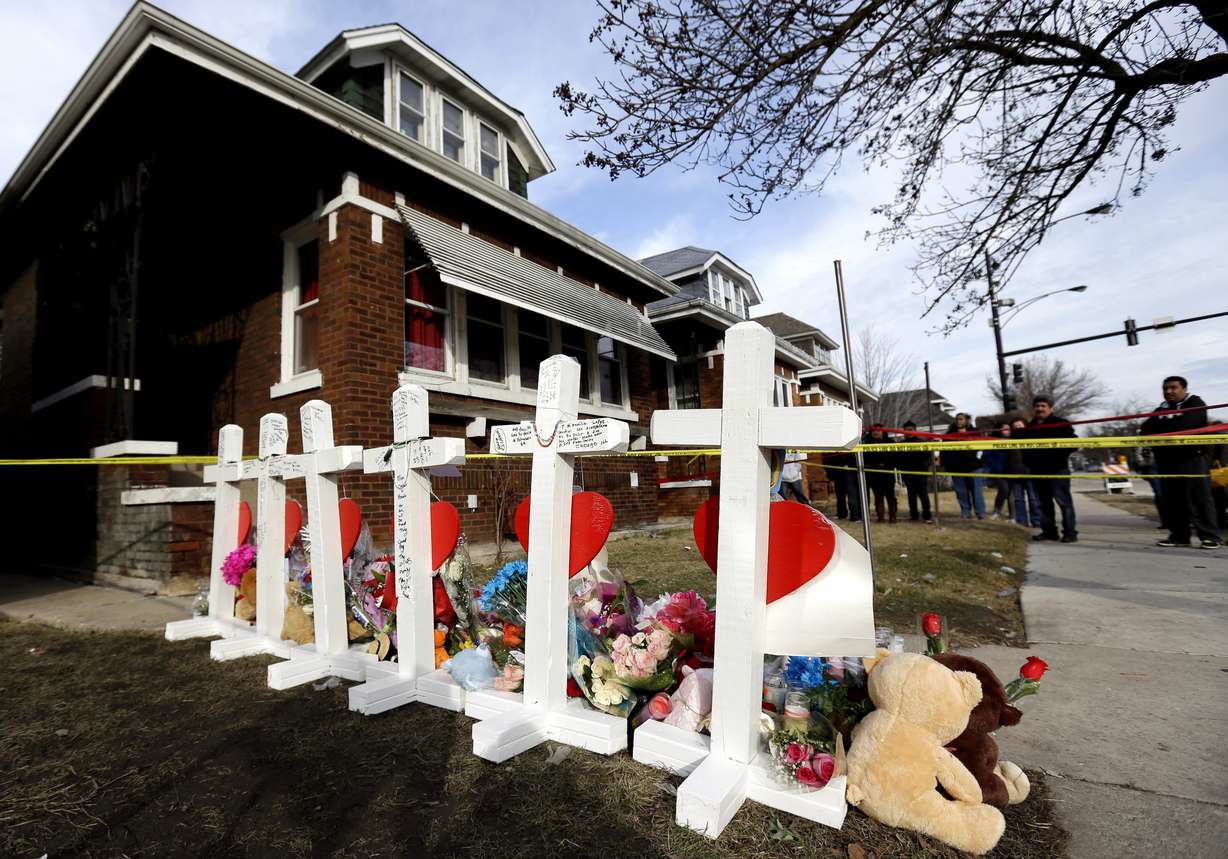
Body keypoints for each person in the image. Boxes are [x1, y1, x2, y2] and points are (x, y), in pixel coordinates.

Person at [1140, 376, 1220, 549]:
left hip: (1192, 459)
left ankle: (1210, 537)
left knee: (1199, 498)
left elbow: (1186, 425)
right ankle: (1179, 536)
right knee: (1173, 500)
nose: (1168, 391)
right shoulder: (1162, 408)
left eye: (1173, 388)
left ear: (1184, 388)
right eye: (1165, 388)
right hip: (1166, 460)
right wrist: (1168, 425)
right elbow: (1145, 428)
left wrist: (1164, 425)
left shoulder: (1195, 403)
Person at [1014, 396, 1077, 543]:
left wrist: (1055, 454)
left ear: (1050, 408)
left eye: (1043, 406)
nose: (1040, 409)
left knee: (1063, 502)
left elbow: (1074, 444)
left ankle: (1070, 532)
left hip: (1057, 469)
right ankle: (1049, 532)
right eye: (1037, 406)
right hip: (1037, 470)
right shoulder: (1030, 426)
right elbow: (1022, 445)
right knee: (1043, 504)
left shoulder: (1061, 424)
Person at [940, 413, 985, 519]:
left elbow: (983, 447)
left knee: (976, 491)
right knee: (961, 492)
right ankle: (966, 512)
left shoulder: (975, 433)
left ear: (966, 421)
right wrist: (944, 465)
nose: (958, 421)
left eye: (961, 419)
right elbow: (943, 451)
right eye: (957, 419)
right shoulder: (949, 435)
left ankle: (980, 513)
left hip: (974, 467)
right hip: (956, 468)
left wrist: (980, 459)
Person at [898, 420, 934, 523]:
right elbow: (898, 458)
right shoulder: (901, 444)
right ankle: (914, 516)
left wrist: (925, 467)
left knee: (923, 495)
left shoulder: (922, 443)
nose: (908, 432)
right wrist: (902, 469)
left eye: (910, 430)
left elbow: (929, 457)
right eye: (906, 430)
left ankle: (927, 516)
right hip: (908, 474)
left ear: (915, 430)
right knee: (911, 496)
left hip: (921, 473)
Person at [1008, 418, 1041, 528]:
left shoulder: (1031, 438)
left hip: (1030, 472)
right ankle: (1022, 521)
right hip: (1015, 473)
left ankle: (1036, 521)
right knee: (1018, 499)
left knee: (1033, 499)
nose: (1017, 427)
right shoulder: (1009, 440)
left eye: (1019, 425)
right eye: (1015, 426)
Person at [862, 425, 898, 523]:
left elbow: (895, 457)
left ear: (882, 432)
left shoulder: (890, 442)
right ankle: (880, 516)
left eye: (878, 431)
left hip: (887, 474)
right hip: (874, 475)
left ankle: (893, 516)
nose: (875, 433)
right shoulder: (867, 443)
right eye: (873, 431)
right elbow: (865, 459)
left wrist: (886, 465)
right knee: (878, 496)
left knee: (890, 496)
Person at [983, 423, 1013, 519]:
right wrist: (996, 467)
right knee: (1004, 490)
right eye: (1004, 429)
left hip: (1013, 470)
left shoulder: (1015, 440)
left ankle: (1013, 514)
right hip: (999, 470)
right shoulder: (992, 441)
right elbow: (987, 456)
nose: (1007, 431)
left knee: (1011, 493)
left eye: (1008, 429)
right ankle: (997, 510)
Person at [824, 450, 861, 521]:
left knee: (851, 494)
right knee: (840, 494)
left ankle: (854, 515)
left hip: (849, 471)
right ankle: (842, 514)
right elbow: (828, 460)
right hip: (839, 471)